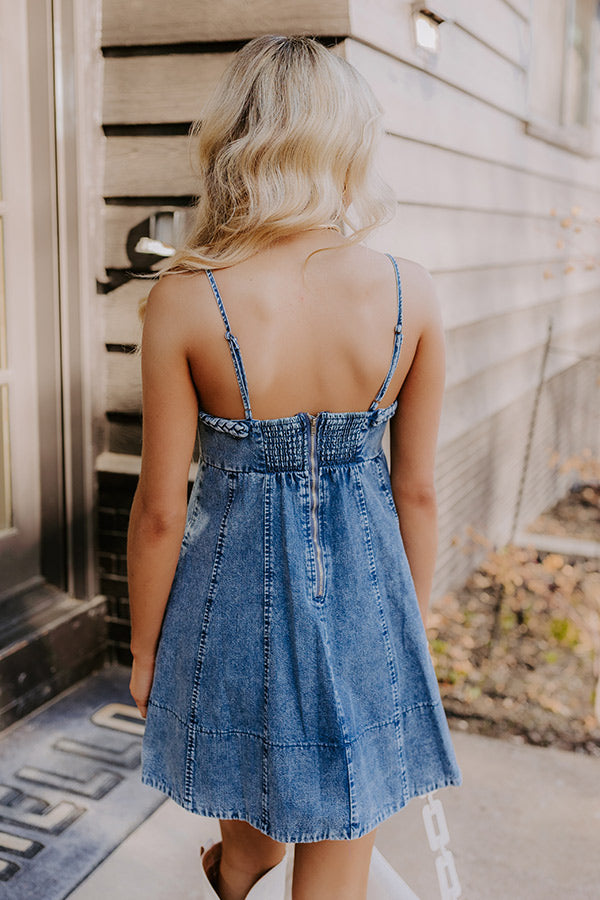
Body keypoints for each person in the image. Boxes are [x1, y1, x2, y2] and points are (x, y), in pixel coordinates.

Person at [127, 34, 462, 900]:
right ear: (348, 142)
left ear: (234, 141)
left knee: (253, 845)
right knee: (333, 852)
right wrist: (406, 630)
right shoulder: (411, 291)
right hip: (366, 605)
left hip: (227, 605)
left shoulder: (183, 297)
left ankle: (232, 875)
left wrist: (144, 648)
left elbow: (160, 508)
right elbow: (416, 491)